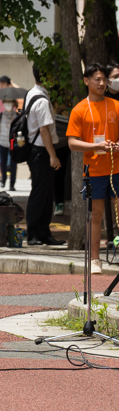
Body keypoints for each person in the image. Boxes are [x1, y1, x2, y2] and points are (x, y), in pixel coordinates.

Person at [65, 64, 118, 275]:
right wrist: (96, 146)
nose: (102, 83)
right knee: (96, 215)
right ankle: (95, 259)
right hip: (94, 170)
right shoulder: (79, 109)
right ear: (86, 81)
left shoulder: (115, 105)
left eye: (104, 79)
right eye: (97, 79)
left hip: (117, 168)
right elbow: (72, 143)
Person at [25, 66, 64, 246]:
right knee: (40, 193)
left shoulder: (31, 93)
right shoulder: (41, 100)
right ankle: (33, 233)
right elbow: (44, 130)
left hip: (37, 150)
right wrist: (52, 155)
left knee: (46, 193)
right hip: (41, 151)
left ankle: (43, 232)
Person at [0, 96, 19, 190]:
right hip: (2, 142)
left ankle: (12, 184)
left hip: (13, 143)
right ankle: (3, 180)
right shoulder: (1, 115)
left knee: (13, 164)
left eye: (10, 102)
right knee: (2, 162)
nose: (8, 104)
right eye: (6, 102)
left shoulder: (17, 116)